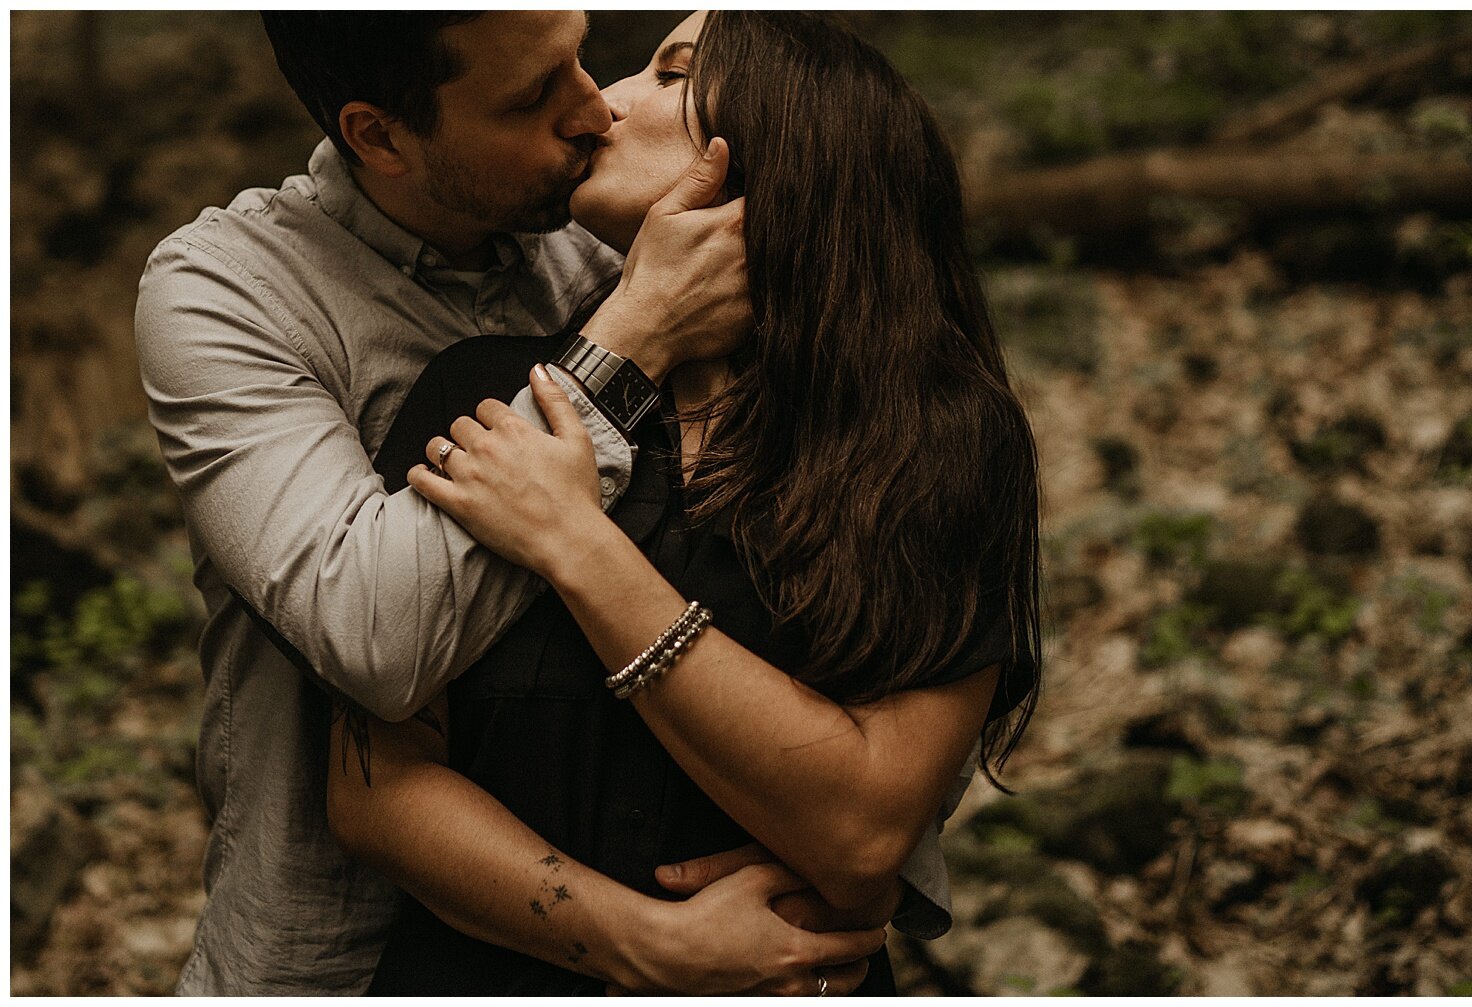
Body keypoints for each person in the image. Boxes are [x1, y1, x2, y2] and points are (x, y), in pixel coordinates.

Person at [135, 12, 960, 995]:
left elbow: (857, 529)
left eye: (578, 53)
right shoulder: (230, 292)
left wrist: (847, 868)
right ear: (380, 135)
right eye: (530, 96)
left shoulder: (618, 233)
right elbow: (374, 640)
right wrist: (633, 336)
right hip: (337, 952)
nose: (592, 108)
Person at [326, 11, 1042, 996]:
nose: (598, 108)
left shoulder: (938, 439)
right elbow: (374, 788)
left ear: (799, 135)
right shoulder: (490, 397)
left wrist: (577, 544)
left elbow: (865, 833)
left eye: (669, 73)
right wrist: (646, 941)